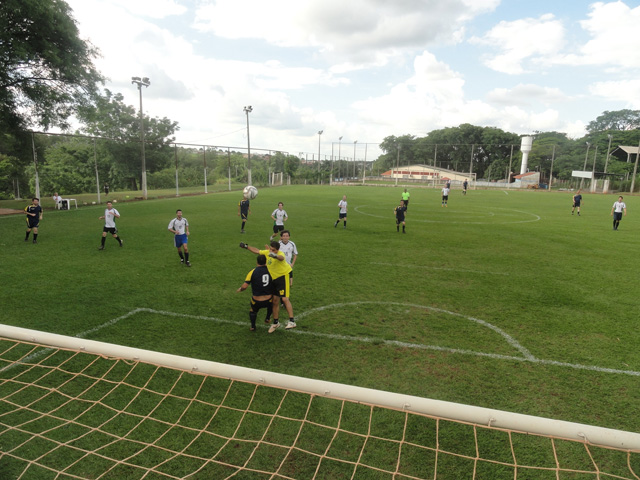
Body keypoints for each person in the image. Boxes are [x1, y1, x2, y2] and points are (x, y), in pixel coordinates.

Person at [240, 240, 295, 332]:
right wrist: (246, 247)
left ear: (277, 250)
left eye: (273, 250)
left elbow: (281, 258)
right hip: (274, 279)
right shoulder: (268, 252)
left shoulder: (280, 254)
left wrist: (274, 255)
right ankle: (276, 323)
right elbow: (257, 251)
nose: (271, 251)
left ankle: (292, 321)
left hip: (282, 277)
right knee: (275, 301)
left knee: (285, 299)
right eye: (271, 249)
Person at [237, 254, 273, 331]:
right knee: (272, 304)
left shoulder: (252, 272)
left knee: (253, 311)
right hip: (268, 300)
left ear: (257, 262)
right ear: (266, 262)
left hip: (257, 301)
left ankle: (253, 327)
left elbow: (244, 286)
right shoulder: (271, 270)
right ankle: (267, 318)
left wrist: (241, 289)